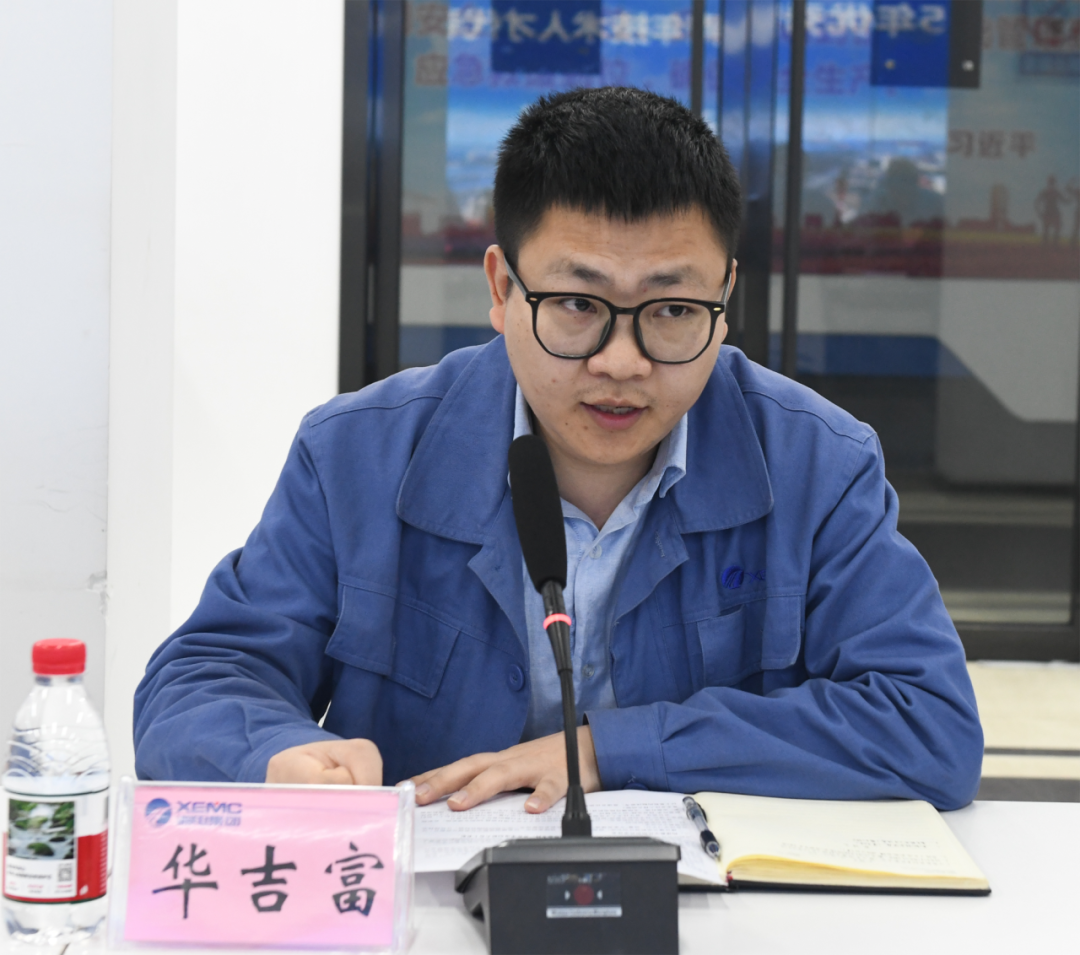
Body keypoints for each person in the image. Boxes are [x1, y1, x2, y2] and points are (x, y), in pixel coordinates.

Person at [134, 87, 982, 813]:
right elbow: (199, 680)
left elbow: (928, 724)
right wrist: (275, 755)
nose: (622, 361)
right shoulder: (357, 454)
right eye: (578, 305)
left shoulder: (818, 465)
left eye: (672, 310)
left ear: (725, 297)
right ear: (502, 288)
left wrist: (613, 749)